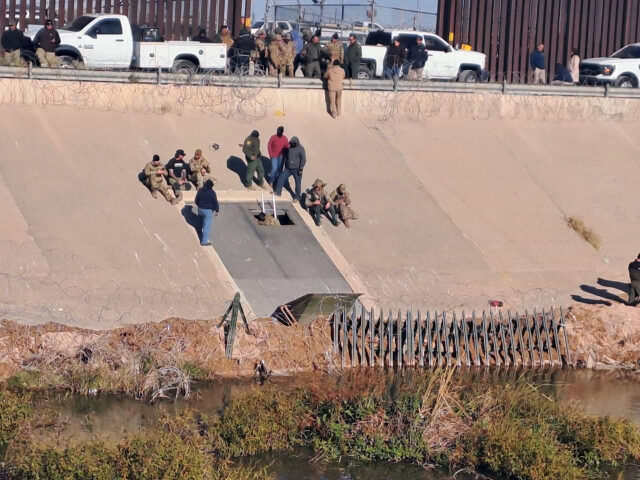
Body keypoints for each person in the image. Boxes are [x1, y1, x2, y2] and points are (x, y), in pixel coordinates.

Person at [274, 136, 305, 201]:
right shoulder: (289, 147)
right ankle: (278, 192)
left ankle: (297, 197)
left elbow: (303, 159)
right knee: (281, 178)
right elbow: (286, 156)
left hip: (297, 170)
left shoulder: (301, 149)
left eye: (293, 143)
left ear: (296, 143)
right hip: (288, 168)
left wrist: (301, 169)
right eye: (291, 143)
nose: (291, 144)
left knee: (298, 183)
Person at [194, 179, 219, 246]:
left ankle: (198, 230)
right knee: (206, 226)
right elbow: (215, 202)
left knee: (200, 221)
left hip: (200, 209)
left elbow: (196, 200)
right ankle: (204, 242)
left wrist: (199, 206)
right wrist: (217, 211)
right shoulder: (212, 192)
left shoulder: (200, 190)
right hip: (208, 211)